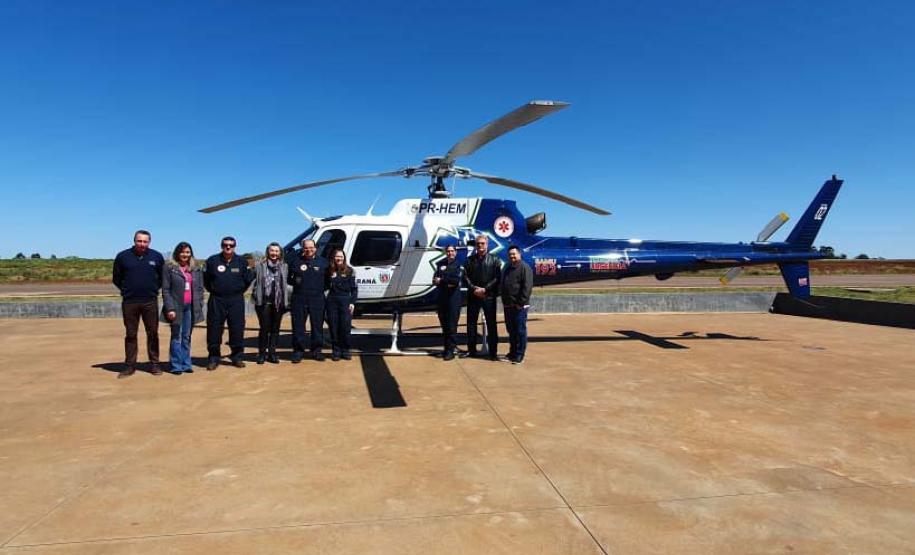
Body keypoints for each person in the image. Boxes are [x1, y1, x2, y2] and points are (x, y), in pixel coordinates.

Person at [112, 230, 165, 378]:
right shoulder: (123, 257)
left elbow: (162, 277)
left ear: (149, 242)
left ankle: (154, 364)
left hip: (150, 301)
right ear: (134, 241)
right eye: (139, 241)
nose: (142, 244)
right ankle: (129, 366)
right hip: (130, 302)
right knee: (131, 334)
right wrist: (127, 290)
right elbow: (116, 278)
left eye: (145, 241)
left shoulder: (156, 256)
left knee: (153, 333)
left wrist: (153, 289)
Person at [204, 236, 254, 370]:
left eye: (231, 245)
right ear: (221, 246)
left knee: (237, 329)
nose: (228, 247)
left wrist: (237, 291)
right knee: (214, 329)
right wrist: (216, 290)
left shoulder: (241, 261)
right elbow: (206, 281)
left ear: (235, 246)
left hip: (236, 300)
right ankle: (214, 357)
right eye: (225, 245)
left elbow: (248, 279)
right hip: (217, 299)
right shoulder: (212, 261)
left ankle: (237, 356)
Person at [161, 242, 205, 374]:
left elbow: (200, 288)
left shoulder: (195, 269)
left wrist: (200, 303)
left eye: (187, 252)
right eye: (182, 252)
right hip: (176, 307)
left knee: (186, 336)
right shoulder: (169, 268)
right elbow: (166, 289)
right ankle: (176, 365)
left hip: (190, 307)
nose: (185, 254)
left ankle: (186, 364)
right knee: (176, 336)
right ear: (177, 253)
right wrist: (170, 308)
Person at [287, 239, 328, 362]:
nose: (308, 250)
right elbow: (289, 279)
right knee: (298, 326)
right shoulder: (295, 262)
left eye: (311, 247)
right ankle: (298, 351)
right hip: (299, 297)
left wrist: (318, 289)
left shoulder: (324, 262)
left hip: (317, 298)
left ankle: (316, 351)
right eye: (306, 248)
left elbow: (328, 282)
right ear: (302, 249)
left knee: (317, 326)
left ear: (315, 248)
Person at [462, 235, 502, 360]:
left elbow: (497, 278)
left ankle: (493, 353)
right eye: (478, 243)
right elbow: (465, 277)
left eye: (483, 243)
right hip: (473, 296)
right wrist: (474, 289)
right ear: (475, 245)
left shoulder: (495, 260)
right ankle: (472, 351)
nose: (480, 246)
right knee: (471, 324)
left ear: (487, 244)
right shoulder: (469, 260)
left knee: (491, 325)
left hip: (488, 297)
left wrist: (485, 289)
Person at [252, 242, 288, 364]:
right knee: (264, 328)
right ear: (268, 252)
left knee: (275, 328)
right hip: (264, 301)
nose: (274, 253)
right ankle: (262, 353)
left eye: (277, 251)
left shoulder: (284, 266)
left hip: (278, 302)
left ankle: (272, 353)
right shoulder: (260, 266)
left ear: (280, 253)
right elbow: (254, 281)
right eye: (272, 251)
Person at [500, 245, 533, 364]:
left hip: (519, 306)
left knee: (520, 330)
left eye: (514, 254)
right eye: (510, 254)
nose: (512, 256)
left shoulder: (525, 268)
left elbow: (527, 287)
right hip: (508, 305)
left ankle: (520, 354)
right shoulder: (507, 267)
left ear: (519, 254)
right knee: (511, 330)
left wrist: (521, 303)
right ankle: (512, 352)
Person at [325, 249, 358, 361]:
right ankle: (336, 351)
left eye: (341, 257)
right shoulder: (328, 271)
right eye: (337, 256)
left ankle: (346, 350)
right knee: (334, 327)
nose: (339, 259)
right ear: (333, 258)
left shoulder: (349, 271)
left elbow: (354, 289)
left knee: (345, 327)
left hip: (345, 301)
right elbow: (324, 287)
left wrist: (352, 303)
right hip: (332, 301)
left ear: (344, 258)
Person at [433, 245, 463, 361]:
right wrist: (444, 281)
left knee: (451, 326)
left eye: (452, 251)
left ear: (455, 252)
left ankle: (451, 350)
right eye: (448, 251)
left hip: (453, 300)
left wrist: (442, 280)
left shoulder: (457, 265)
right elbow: (435, 278)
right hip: (442, 299)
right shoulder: (441, 263)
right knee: (444, 325)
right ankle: (446, 349)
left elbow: (455, 281)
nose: (450, 253)